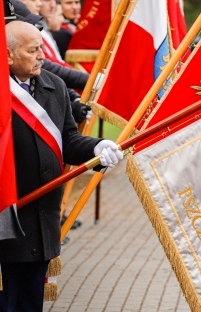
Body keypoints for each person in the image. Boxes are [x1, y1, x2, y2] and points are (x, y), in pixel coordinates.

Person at [0, 20, 123, 311]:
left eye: (41, 47)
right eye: (33, 50)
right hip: (8, 218)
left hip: (41, 221)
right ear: (7, 55)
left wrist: (95, 147)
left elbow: (67, 138)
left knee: (30, 304)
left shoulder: (53, 86)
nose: (42, 55)